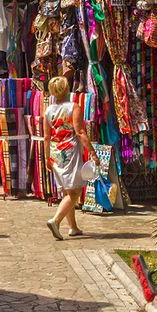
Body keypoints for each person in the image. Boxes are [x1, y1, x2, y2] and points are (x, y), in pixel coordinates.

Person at [42, 76, 97, 239]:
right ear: (66, 89)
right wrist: (92, 152)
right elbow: (80, 132)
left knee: (67, 190)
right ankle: (56, 220)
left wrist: (46, 158)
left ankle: (73, 227)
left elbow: (46, 137)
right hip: (69, 152)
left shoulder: (48, 111)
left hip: (55, 151)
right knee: (75, 192)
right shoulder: (74, 107)